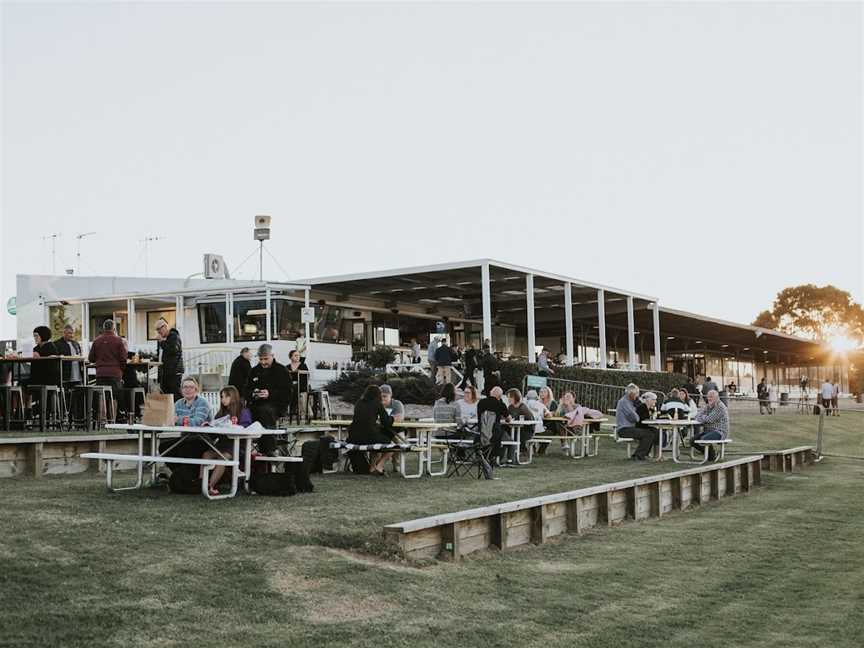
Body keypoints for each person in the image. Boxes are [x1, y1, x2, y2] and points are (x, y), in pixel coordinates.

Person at [201, 385, 251, 496]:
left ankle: (210, 485)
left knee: (223, 457)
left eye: (226, 397)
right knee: (206, 454)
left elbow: (245, 428)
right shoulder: (221, 413)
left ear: (233, 397)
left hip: (237, 445)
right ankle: (200, 483)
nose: (223, 400)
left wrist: (232, 426)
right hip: (222, 444)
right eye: (221, 397)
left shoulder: (243, 411)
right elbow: (215, 428)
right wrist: (208, 426)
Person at [244, 344, 289, 455]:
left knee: (264, 411)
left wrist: (270, 394)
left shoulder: (281, 370)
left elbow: (287, 392)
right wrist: (253, 394)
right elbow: (246, 389)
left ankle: (269, 449)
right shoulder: (254, 371)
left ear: (272, 356)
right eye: (261, 359)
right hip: (256, 404)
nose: (263, 362)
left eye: (266, 359)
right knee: (244, 412)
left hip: (276, 405)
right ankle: (242, 448)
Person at [346, 384, 395, 476]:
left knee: (376, 443)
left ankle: (372, 467)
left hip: (353, 437)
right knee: (392, 446)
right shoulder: (377, 403)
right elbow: (386, 422)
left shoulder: (359, 402)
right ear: (378, 395)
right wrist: (392, 418)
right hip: (369, 436)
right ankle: (379, 467)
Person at [87, 319, 127, 411]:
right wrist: (121, 370)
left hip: (100, 374)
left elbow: (91, 358)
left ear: (104, 328)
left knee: (102, 397)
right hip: (115, 373)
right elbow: (123, 358)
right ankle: (112, 421)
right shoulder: (119, 341)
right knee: (114, 397)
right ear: (114, 328)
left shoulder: (96, 341)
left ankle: (102, 421)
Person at [614, 383, 658, 461]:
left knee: (653, 431)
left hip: (629, 428)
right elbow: (635, 417)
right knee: (648, 434)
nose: (637, 396)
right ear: (631, 393)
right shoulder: (624, 402)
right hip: (624, 429)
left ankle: (644, 454)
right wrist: (637, 414)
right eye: (636, 394)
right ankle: (638, 456)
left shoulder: (630, 402)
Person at [692, 389, 729, 461]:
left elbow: (709, 419)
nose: (709, 398)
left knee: (704, 439)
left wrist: (703, 417)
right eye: (708, 397)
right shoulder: (708, 406)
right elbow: (697, 416)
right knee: (692, 441)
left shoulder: (720, 407)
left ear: (716, 398)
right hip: (709, 431)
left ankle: (711, 456)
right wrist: (704, 417)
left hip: (720, 431)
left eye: (711, 397)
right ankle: (711, 455)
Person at [155, 318, 184, 401]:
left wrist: (161, 342)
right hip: (165, 371)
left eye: (159, 330)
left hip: (174, 370)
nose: (158, 332)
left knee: (175, 394)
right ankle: (169, 413)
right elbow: (160, 353)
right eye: (157, 331)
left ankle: (180, 412)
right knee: (166, 394)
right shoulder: (163, 339)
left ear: (164, 327)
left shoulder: (174, 336)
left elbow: (173, 350)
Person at [286, 349, 310, 422]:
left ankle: (293, 409)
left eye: (298, 355)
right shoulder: (287, 367)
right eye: (295, 355)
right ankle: (288, 411)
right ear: (291, 357)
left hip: (301, 385)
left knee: (295, 387)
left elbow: (306, 376)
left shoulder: (303, 365)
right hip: (291, 386)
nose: (297, 357)